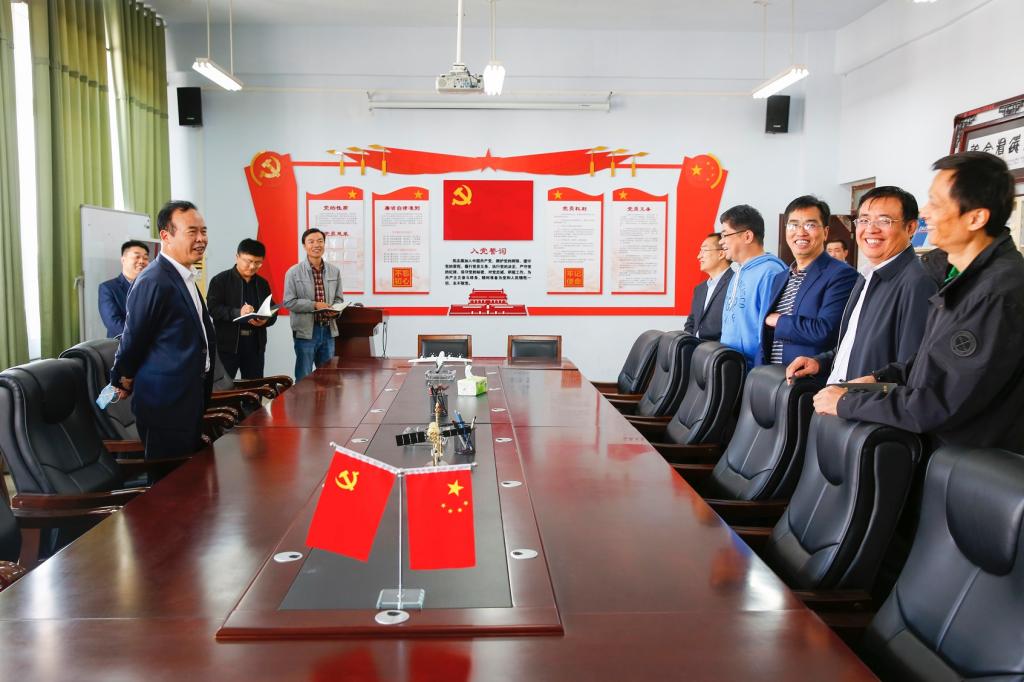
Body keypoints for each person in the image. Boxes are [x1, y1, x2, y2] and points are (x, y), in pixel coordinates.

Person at [814, 152, 1024, 451]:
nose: (925, 212)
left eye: (936, 203)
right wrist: (880, 377)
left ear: (976, 217)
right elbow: (931, 359)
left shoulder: (995, 293)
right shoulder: (957, 274)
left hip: (964, 461)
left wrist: (847, 403)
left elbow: (939, 401)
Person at [787, 186, 936, 383]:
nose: (871, 229)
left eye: (884, 220)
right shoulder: (867, 275)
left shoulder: (917, 282)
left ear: (910, 228)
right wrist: (820, 362)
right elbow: (855, 344)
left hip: (864, 401)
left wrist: (855, 396)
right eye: (864, 220)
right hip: (842, 398)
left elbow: (912, 371)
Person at [109, 200, 215, 459]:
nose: (201, 239)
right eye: (192, 232)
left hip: (187, 396)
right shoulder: (154, 280)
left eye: (203, 231)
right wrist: (122, 378)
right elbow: (134, 338)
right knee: (168, 479)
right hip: (165, 403)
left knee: (188, 476)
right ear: (166, 236)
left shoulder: (184, 275)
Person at [760, 195, 858, 366]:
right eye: (793, 225)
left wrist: (778, 321)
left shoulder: (842, 275)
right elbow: (767, 337)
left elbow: (826, 331)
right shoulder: (780, 278)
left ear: (825, 232)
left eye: (810, 225)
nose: (801, 232)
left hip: (807, 377)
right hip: (771, 375)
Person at [718, 204, 787, 369]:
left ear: (747, 236)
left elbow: (768, 332)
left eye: (725, 234)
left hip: (751, 370)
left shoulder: (770, 272)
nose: (721, 241)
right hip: (731, 367)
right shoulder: (739, 271)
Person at [207, 238, 277, 380]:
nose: (252, 266)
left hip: (255, 346)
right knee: (222, 387)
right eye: (248, 261)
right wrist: (238, 312)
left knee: (254, 387)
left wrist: (266, 320)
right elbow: (213, 309)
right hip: (227, 346)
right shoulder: (220, 280)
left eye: (257, 262)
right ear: (237, 257)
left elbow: (272, 309)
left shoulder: (262, 283)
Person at [283, 228, 344, 381]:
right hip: (305, 333)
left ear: (324, 244)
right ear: (304, 246)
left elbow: (339, 299)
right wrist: (314, 305)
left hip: (328, 331)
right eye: (311, 242)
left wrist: (336, 311)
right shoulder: (293, 272)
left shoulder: (334, 271)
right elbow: (289, 302)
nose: (316, 245)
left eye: (320, 241)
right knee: (304, 377)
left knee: (328, 378)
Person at [683, 232, 733, 341]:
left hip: (719, 349)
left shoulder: (735, 284)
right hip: (696, 349)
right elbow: (691, 323)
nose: (699, 256)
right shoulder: (700, 289)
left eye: (704, 250)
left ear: (721, 254)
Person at [98, 240, 150, 337]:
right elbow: (114, 324)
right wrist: (145, 339)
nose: (141, 261)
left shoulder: (154, 287)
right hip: (124, 344)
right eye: (137, 257)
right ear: (123, 260)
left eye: (145, 258)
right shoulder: (108, 288)